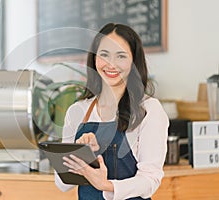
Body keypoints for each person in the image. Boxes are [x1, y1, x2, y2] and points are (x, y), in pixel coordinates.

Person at [54, 23, 169, 200]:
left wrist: (106, 185)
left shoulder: (149, 110)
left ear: (133, 61)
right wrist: (83, 154)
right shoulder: (77, 111)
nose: (111, 64)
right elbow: (62, 184)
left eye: (121, 56)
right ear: (94, 59)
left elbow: (150, 179)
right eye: (104, 55)